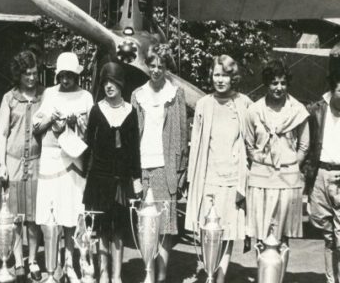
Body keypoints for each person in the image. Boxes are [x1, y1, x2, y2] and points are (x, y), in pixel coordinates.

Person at [185, 55, 252, 283]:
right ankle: (209, 274)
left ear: (233, 77)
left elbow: (251, 145)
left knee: (228, 233)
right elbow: (195, 146)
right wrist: (191, 179)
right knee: (208, 230)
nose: (220, 80)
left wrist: (245, 183)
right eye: (216, 74)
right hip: (208, 179)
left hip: (233, 180)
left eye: (225, 75)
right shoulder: (204, 104)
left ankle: (220, 278)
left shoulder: (244, 104)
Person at [33, 52, 93, 283]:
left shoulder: (86, 96)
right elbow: (36, 127)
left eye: (70, 75)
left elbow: (90, 130)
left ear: (77, 75)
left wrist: (75, 121)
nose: (65, 80)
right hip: (51, 156)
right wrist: (51, 119)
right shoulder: (49, 93)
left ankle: (71, 262)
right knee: (52, 213)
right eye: (62, 75)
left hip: (74, 158)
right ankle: (53, 267)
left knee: (72, 211)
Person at [131, 44, 188, 283]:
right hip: (144, 164)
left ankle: (162, 276)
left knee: (165, 224)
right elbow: (132, 133)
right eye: (152, 65)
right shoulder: (137, 95)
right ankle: (149, 273)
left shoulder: (176, 93)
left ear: (166, 68)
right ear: (146, 65)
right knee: (146, 223)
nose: (155, 70)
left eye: (160, 67)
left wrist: (181, 168)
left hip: (166, 167)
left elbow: (183, 133)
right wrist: (133, 171)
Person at [83, 62, 142, 283]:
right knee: (102, 229)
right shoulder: (97, 110)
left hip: (122, 180)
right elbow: (88, 145)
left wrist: (137, 180)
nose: (109, 86)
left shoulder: (131, 112)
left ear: (121, 84)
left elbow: (134, 149)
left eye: (113, 82)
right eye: (105, 82)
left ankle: (117, 275)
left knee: (119, 230)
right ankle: (103, 273)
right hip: (99, 179)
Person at [245, 59, 309, 246]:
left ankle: (279, 276)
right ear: (267, 84)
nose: (279, 87)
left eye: (283, 82)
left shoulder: (298, 111)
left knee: (282, 237)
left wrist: (289, 165)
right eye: (274, 82)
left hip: (287, 180)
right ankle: (262, 275)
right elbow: (249, 144)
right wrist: (262, 162)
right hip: (260, 179)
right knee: (261, 234)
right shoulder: (254, 111)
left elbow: (304, 147)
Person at [0, 50, 44, 282]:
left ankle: (33, 260)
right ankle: (18, 261)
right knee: (16, 217)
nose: (31, 78)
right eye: (27, 74)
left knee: (33, 218)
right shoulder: (9, 98)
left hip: (37, 163)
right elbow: (3, 133)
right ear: (19, 74)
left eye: (34, 73)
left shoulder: (45, 96)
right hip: (14, 163)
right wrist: (2, 164)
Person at [306, 66, 340, 283]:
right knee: (328, 235)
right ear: (333, 89)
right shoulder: (317, 110)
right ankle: (331, 279)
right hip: (320, 174)